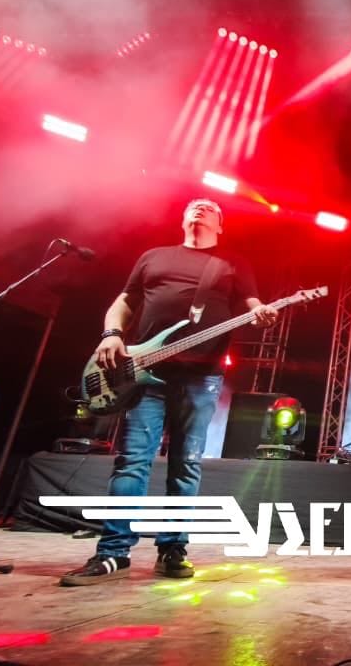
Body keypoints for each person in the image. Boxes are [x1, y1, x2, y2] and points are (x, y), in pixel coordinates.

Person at [60, 198, 277, 586]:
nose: (200, 209)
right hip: (143, 372)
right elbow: (125, 301)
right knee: (132, 461)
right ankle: (113, 553)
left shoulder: (232, 263)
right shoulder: (154, 257)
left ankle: (173, 549)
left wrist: (263, 313)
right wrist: (112, 334)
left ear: (220, 225)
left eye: (210, 208)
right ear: (183, 218)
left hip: (201, 376)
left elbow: (253, 304)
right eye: (195, 206)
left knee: (186, 463)